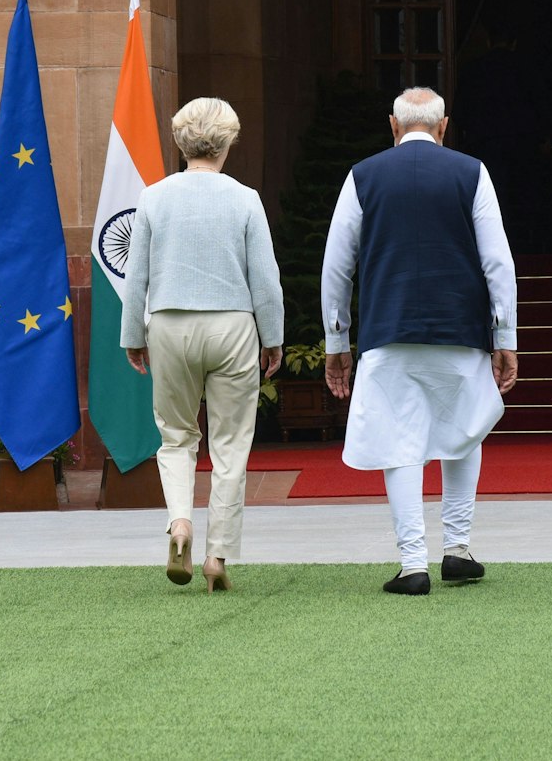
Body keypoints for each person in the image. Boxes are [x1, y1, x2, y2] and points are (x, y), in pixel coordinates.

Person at [322, 87, 519, 595]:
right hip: (459, 328)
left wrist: (336, 341)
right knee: (465, 430)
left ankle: (413, 564)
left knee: (398, 439)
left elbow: (337, 266)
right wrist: (505, 334)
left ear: (393, 125)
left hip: (387, 330)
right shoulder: (472, 172)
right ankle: (458, 549)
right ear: (443, 126)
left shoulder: (362, 175)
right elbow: (498, 262)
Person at [122, 97, 283, 593]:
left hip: (169, 323)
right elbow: (266, 280)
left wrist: (132, 336)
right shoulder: (246, 198)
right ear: (228, 143)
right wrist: (273, 337)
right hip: (233, 325)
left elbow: (136, 277)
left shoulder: (153, 197)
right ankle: (217, 555)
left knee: (175, 436)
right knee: (230, 444)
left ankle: (179, 524)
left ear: (179, 142)